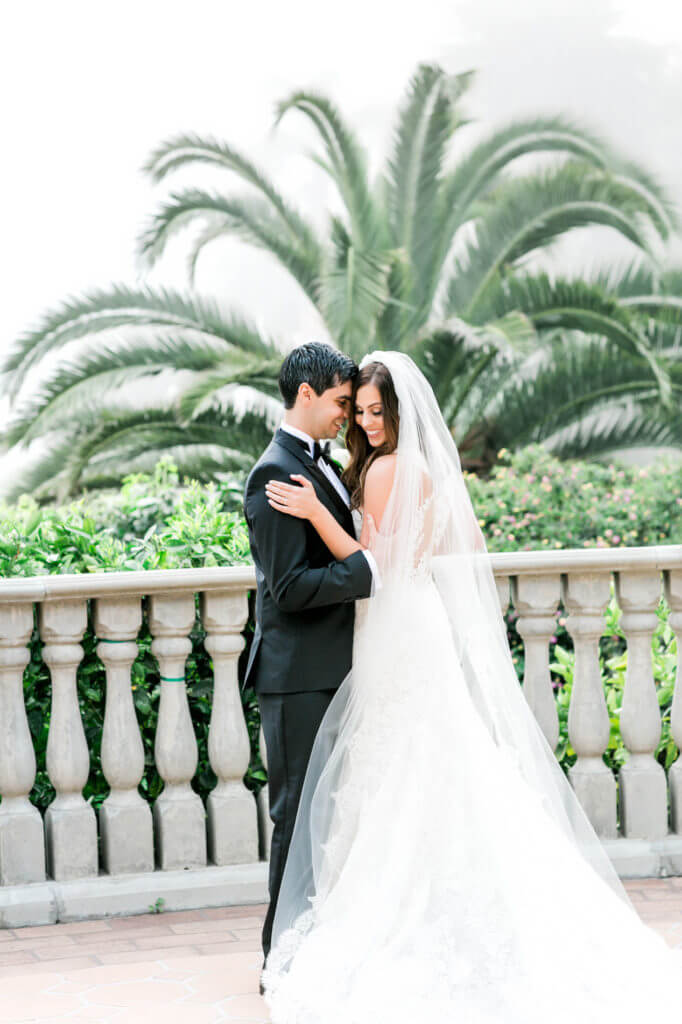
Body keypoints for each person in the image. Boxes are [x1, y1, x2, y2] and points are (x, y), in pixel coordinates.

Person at [260, 350, 679, 1021]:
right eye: (358, 411)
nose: (364, 423)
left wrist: (315, 513)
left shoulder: (388, 470)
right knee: (434, 760)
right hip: (414, 621)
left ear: (399, 413)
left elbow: (375, 563)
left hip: (393, 624)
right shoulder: (420, 467)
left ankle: (406, 911)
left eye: (375, 412)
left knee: (400, 767)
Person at [243, 343, 381, 977]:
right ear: (306, 395)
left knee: (322, 817)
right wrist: (360, 574)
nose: (346, 416)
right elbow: (288, 588)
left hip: (329, 670)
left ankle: (313, 946)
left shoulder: (318, 464)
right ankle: (281, 958)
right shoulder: (273, 472)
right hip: (297, 678)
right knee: (294, 815)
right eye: (340, 403)